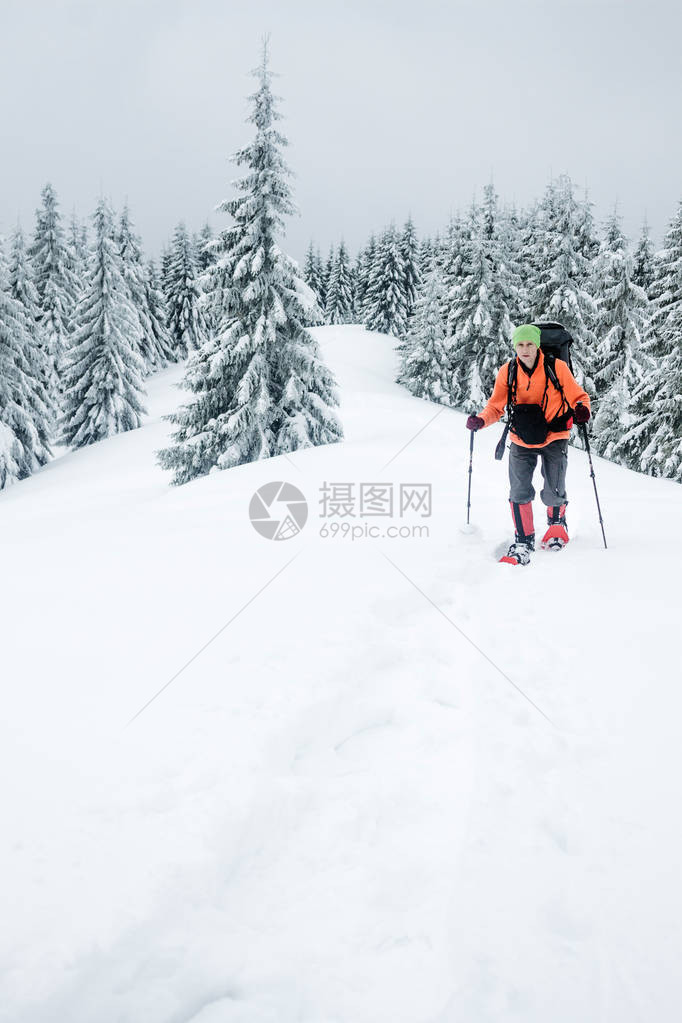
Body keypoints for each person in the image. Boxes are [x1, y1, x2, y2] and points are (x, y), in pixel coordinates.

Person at [466, 323, 591, 565]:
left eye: (529, 344)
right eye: (520, 345)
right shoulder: (508, 371)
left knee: (554, 489)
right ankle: (524, 539)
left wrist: (582, 410)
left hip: (555, 436)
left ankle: (556, 525)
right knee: (519, 490)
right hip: (521, 438)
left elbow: (579, 396)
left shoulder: (557, 367)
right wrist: (480, 421)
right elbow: (495, 406)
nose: (525, 349)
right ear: (515, 346)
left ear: (537, 346)